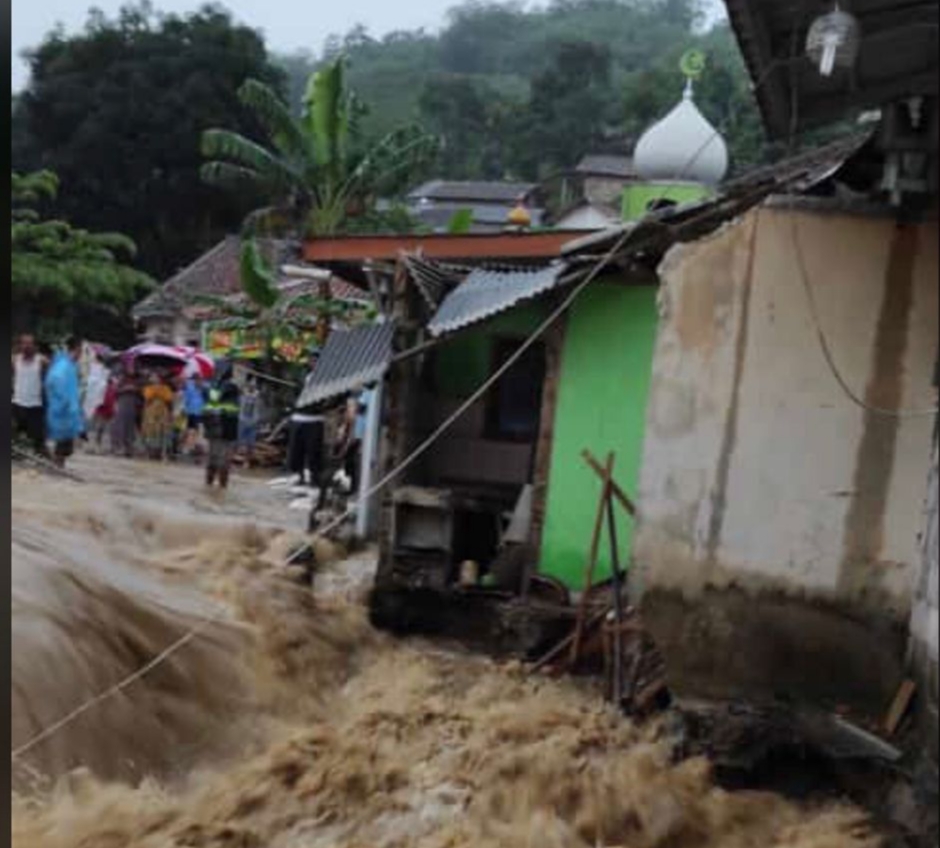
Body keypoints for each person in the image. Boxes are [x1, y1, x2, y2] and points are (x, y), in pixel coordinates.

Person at [44, 337, 84, 468]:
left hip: (65, 408)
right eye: (81, 350)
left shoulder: (67, 364)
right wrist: (63, 400)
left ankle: (58, 463)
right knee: (63, 441)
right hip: (63, 408)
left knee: (65, 442)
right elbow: (52, 382)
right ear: (76, 349)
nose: (81, 354)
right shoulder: (64, 365)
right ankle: (57, 464)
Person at [287, 351, 325, 488]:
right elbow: (292, 393)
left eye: (315, 360)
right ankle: (299, 475)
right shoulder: (300, 376)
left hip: (315, 419)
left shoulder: (324, 378)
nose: (312, 362)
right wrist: (295, 403)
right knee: (297, 450)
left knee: (314, 450)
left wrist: (321, 405)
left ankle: (315, 478)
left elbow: (331, 398)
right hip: (299, 418)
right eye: (311, 360)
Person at [203, 359, 240, 488]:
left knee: (214, 456)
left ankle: (210, 485)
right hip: (224, 427)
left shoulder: (212, 387)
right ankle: (220, 486)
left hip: (215, 425)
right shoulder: (230, 387)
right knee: (222, 458)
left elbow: (211, 403)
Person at [12, 333, 49, 456]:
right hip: (17, 402)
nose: (26, 346)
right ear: (20, 345)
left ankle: (45, 459)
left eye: (29, 343)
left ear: (35, 346)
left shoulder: (42, 360)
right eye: (24, 343)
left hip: (34, 404)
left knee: (38, 439)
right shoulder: (14, 359)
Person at [141, 372, 175, 460]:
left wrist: (159, 391)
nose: (153, 378)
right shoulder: (148, 388)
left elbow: (168, 399)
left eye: (155, 377)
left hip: (162, 410)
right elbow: (147, 397)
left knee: (162, 430)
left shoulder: (166, 388)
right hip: (151, 411)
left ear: (160, 379)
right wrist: (155, 391)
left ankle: (162, 452)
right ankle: (149, 452)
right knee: (150, 430)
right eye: (152, 377)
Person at [111, 364, 141, 457]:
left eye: (133, 367)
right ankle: (118, 447)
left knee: (130, 426)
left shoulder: (138, 379)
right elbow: (115, 390)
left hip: (133, 404)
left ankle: (129, 448)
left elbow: (142, 390)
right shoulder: (121, 378)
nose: (131, 370)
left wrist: (136, 389)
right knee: (120, 424)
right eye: (129, 367)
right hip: (122, 403)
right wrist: (125, 389)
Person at [89, 370, 118, 451]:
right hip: (102, 411)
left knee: (104, 429)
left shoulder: (112, 389)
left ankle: (100, 445)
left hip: (108, 411)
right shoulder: (102, 387)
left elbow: (113, 400)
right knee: (99, 428)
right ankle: (94, 445)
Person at [238, 376, 261, 465]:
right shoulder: (243, 394)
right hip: (243, 420)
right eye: (251, 384)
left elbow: (257, 405)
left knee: (251, 443)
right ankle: (234, 459)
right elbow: (243, 398)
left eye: (254, 384)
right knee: (238, 441)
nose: (252, 386)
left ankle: (246, 461)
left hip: (253, 421)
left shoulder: (257, 395)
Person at [182, 372, 207, 452]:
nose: (199, 381)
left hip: (201, 412)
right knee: (190, 429)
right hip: (191, 411)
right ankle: (189, 446)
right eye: (197, 380)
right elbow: (186, 399)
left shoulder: (205, 389)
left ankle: (195, 446)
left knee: (198, 429)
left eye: (200, 380)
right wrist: (184, 408)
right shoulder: (190, 387)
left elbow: (207, 400)